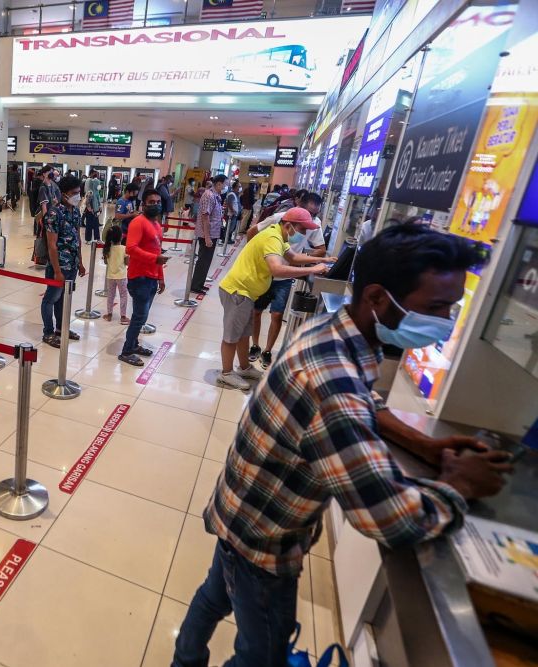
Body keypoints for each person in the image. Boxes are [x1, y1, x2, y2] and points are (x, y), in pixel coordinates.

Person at [172, 224, 511, 667]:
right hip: (265, 539)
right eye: (435, 307)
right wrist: (460, 485)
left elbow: (362, 402)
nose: (444, 322)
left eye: (451, 308)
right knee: (263, 654)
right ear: (376, 297)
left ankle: (184, 660)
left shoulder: (337, 331)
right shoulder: (333, 384)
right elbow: (390, 519)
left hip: (242, 509)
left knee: (214, 596)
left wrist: (423, 445)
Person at [215, 207, 334, 391]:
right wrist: (312, 269)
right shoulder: (273, 238)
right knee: (232, 335)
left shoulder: (280, 236)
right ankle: (226, 374)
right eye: (301, 230)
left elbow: (293, 257)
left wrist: (321, 261)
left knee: (244, 333)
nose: (303, 234)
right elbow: (276, 269)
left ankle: (244, 368)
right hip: (238, 291)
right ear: (288, 225)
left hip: (247, 293)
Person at [247, 192, 327, 368]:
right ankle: (254, 346)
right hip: (265, 274)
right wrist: (253, 254)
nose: (311, 219)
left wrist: (302, 256)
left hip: (285, 277)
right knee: (256, 311)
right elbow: (253, 231)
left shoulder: (314, 225)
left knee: (277, 314)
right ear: (298, 205)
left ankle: (267, 351)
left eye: (315, 214)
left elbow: (320, 249)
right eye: (309, 212)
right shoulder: (279, 218)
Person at [118, 191, 167, 367]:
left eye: (158, 201)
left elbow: (157, 251)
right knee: (139, 316)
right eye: (151, 202)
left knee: (142, 316)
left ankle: (134, 344)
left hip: (152, 277)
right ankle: (126, 351)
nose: (155, 204)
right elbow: (131, 248)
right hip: (139, 277)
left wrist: (161, 277)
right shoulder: (138, 222)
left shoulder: (156, 224)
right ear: (144, 204)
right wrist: (154, 260)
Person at [40, 175, 86, 348]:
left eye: (79, 193)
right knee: (51, 299)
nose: (78, 196)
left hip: (72, 264)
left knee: (64, 299)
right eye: (74, 193)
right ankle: (48, 332)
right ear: (64, 194)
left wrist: (80, 262)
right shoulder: (54, 213)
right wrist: (57, 271)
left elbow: (77, 238)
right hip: (58, 265)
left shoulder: (75, 211)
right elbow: (52, 245)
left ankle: (61, 328)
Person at [189, 176, 226, 295]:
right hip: (207, 234)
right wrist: (207, 237)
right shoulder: (209, 195)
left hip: (213, 233)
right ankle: (195, 286)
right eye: (225, 184)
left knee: (207, 260)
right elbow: (205, 216)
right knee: (203, 260)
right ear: (219, 184)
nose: (226, 187)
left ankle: (200, 283)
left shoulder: (216, 196)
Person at [101, 223, 129, 324]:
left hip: (110, 275)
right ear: (121, 236)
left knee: (111, 295)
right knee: (123, 295)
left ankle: (109, 314)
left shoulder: (108, 249)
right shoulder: (124, 248)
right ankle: (123, 316)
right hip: (121, 276)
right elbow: (127, 263)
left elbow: (105, 262)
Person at [82, 170, 102, 242]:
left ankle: (97, 238)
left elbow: (97, 197)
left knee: (96, 224)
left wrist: (99, 206)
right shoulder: (90, 186)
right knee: (89, 224)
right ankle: (88, 239)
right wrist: (89, 208)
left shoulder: (95, 191)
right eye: (95, 175)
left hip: (95, 208)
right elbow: (87, 198)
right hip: (90, 209)